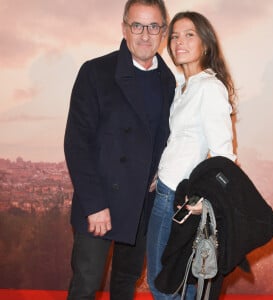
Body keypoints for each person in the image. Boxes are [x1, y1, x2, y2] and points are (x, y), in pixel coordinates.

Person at [64, 0, 176, 299]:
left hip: (141, 206)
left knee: (126, 283)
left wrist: (159, 171)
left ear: (163, 31)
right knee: (86, 285)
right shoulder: (95, 72)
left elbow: (166, 138)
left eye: (153, 26)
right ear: (124, 28)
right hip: (99, 204)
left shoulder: (169, 81)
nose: (145, 35)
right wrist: (95, 204)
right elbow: (77, 143)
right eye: (137, 25)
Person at [146, 11, 237, 300]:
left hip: (178, 201)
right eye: (174, 36)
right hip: (166, 191)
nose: (178, 42)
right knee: (177, 282)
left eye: (189, 35)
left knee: (163, 285)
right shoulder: (185, 86)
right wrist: (162, 171)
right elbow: (183, 140)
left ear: (206, 45)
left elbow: (224, 155)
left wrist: (206, 199)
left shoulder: (209, 88)